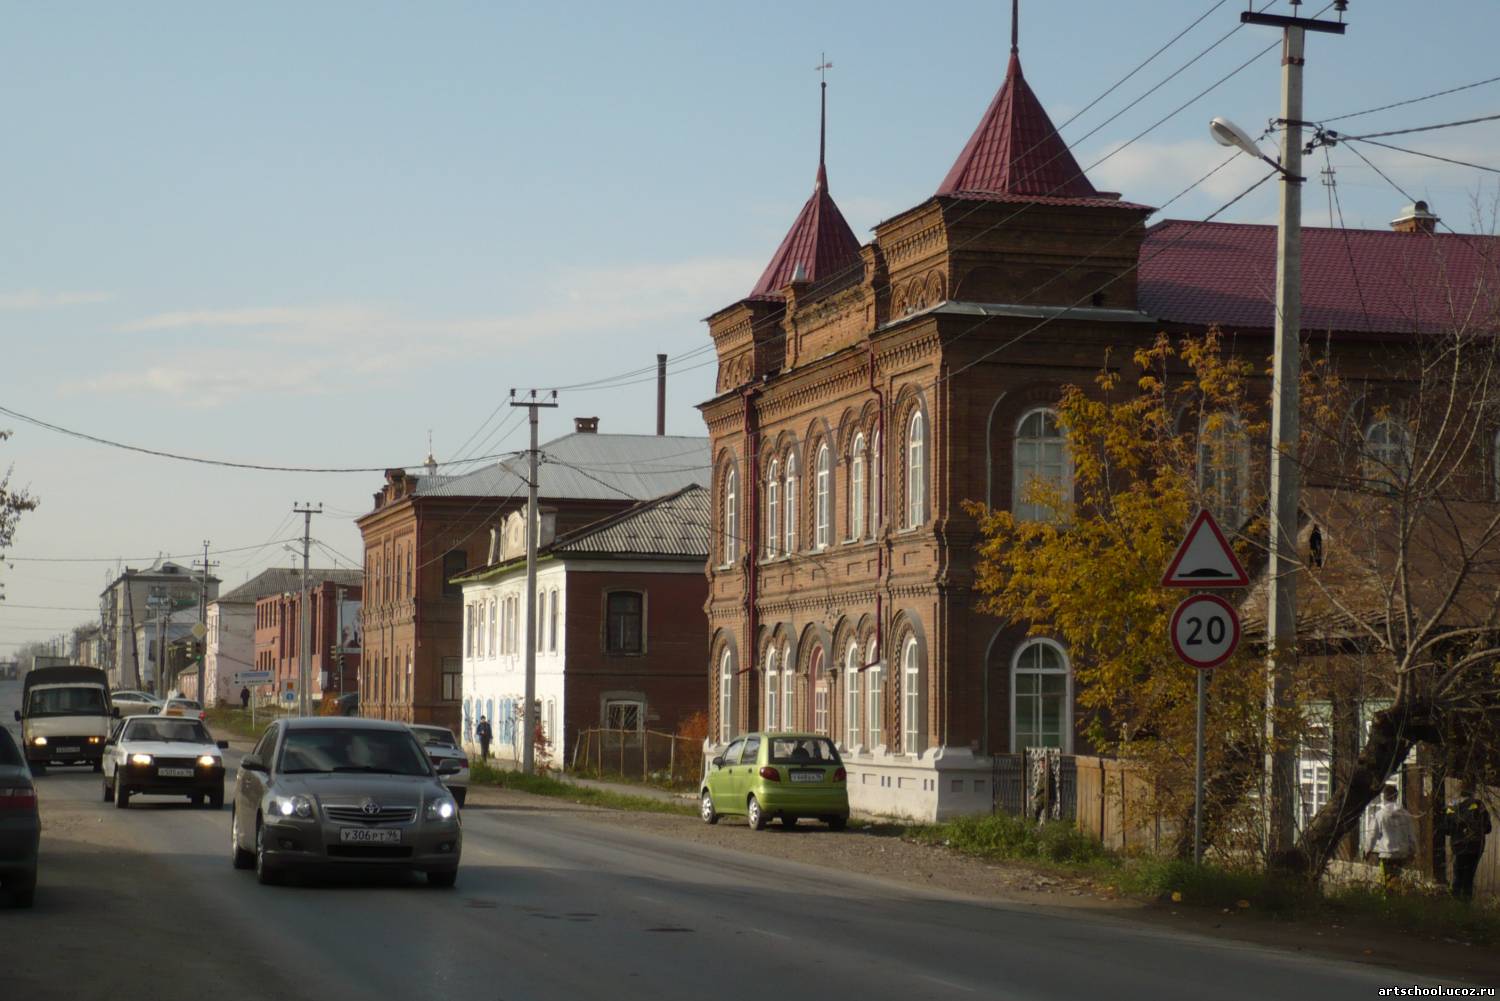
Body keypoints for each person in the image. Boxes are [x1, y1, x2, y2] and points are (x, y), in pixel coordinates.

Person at [1441, 782, 1492, 901]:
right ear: (1473, 791)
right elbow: (1488, 828)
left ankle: (1456, 905)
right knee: (1469, 876)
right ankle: (1466, 905)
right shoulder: (1479, 805)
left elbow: (1446, 829)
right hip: (1475, 846)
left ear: (1459, 790)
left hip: (1459, 846)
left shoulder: (1451, 806)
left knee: (1458, 876)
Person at [1368, 783, 1416, 890]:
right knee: (1399, 882)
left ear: (1384, 797)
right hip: (1402, 854)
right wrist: (1413, 851)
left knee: (1386, 882)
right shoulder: (1405, 815)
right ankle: (1397, 901)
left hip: (1386, 854)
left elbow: (1372, 835)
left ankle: (1388, 902)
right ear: (1396, 797)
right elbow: (1411, 835)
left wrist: (1368, 850)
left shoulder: (1380, 815)